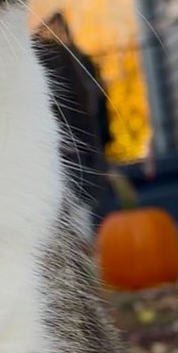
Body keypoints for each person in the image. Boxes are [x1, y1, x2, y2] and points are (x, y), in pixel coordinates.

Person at [32, 12, 112, 230]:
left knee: (77, 225)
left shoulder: (75, 68)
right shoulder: (52, 66)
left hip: (77, 161)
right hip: (62, 162)